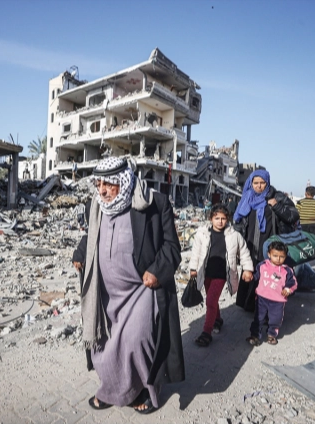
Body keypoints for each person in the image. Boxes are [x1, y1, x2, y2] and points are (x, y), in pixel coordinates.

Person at [72, 157, 183, 415]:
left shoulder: (153, 204)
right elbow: (91, 236)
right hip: (106, 292)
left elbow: (172, 247)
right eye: (98, 184)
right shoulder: (96, 206)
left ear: (123, 182)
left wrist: (157, 271)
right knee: (104, 342)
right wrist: (80, 253)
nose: (102, 191)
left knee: (137, 340)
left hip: (141, 290)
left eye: (108, 184)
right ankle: (113, 390)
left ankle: (144, 389)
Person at [233, 170, 299, 312]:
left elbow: (293, 216)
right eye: (255, 183)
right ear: (251, 183)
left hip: (270, 243)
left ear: (267, 182)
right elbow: (238, 222)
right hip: (250, 243)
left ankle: (266, 307)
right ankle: (249, 304)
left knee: (268, 275)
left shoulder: (278, 197)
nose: (259, 186)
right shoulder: (247, 198)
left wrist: (277, 206)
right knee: (251, 270)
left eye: (262, 183)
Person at [189, 205, 254, 347]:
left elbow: (244, 253)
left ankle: (206, 332)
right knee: (211, 299)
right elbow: (196, 252)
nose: (220, 221)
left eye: (223, 218)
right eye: (217, 218)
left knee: (211, 301)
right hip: (205, 272)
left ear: (228, 219)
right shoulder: (202, 233)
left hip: (222, 274)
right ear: (211, 218)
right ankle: (217, 319)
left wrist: (248, 269)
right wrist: (193, 268)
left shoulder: (234, 236)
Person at [246, 241, 298, 346]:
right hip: (261, 298)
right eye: (275, 256)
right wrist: (250, 277)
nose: (278, 259)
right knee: (258, 318)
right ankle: (255, 335)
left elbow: (293, 283)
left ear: (285, 256)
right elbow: (256, 275)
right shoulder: (262, 265)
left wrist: (288, 289)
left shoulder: (287, 270)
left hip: (278, 301)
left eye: (281, 257)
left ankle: (272, 334)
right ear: (269, 254)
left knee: (276, 318)